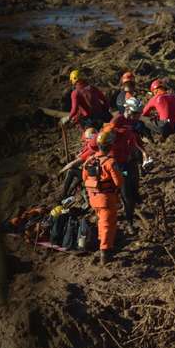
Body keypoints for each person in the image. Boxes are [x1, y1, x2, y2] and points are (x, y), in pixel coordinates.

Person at [106, 98, 150, 227]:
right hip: (118, 163)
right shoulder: (116, 121)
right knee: (126, 194)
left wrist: (143, 151)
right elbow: (106, 139)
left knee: (135, 187)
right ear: (127, 109)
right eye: (135, 113)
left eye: (138, 114)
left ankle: (133, 210)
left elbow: (134, 138)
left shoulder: (131, 122)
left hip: (129, 160)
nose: (137, 116)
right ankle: (129, 222)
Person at [82, 130, 124, 264]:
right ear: (110, 146)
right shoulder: (110, 162)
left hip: (93, 198)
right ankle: (105, 251)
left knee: (101, 221)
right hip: (106, 199)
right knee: (108, 224)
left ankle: (104, 243)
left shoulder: (89, 160)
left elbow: (84, 178)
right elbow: (119, 182)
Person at [60, 128, 98, 199]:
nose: (83, 143)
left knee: (71, 171)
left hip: (92, 176)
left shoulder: (91, 149)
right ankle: (71, 191)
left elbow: (73, 164)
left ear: (89, 139)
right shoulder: (96, 144)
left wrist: (61, 171)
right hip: (94, 173)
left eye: (84, 141)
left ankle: (64, 195)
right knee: (78, 173)